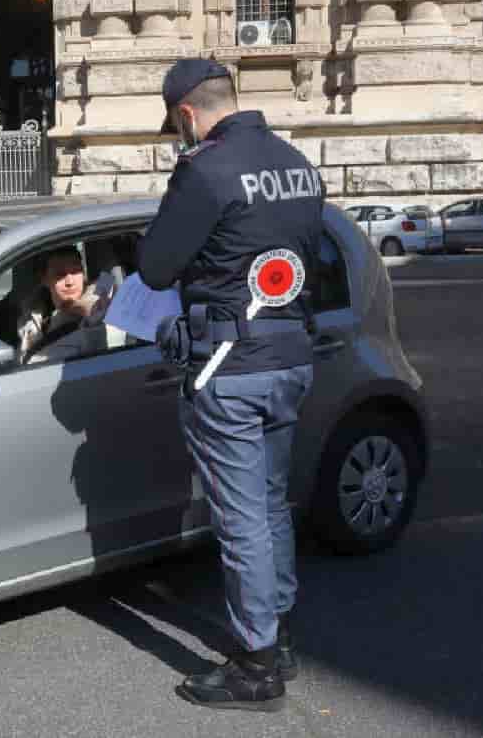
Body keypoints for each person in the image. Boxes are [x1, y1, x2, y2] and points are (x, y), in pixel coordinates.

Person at [138, 59, 324, 712]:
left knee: (242, 518)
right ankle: (280, 636)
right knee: (271, 505)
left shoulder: (205, 168)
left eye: (174, 126)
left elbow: (156, 268)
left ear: (187, 115)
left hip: (230, 366)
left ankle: (256, 667)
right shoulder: (299, 164)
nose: (178, 137)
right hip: (291, 355)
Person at [16, 246, 112, 364]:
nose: (70, 282)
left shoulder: (97, 312)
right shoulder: (31, 315)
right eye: (60, 274)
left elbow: (105, 289)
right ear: (44, 279)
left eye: (76, 271)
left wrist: (75, 308)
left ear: (83, 274)